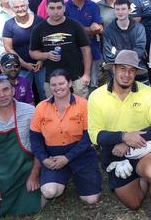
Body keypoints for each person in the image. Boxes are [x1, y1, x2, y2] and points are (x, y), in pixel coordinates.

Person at [87, 50, 151, 219]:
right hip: (115, 153)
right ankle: (143, 179)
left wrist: (129, 140)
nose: (127, 74)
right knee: (134, 204)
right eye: (122, 69)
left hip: (142, 149)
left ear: (136, 73)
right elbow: (95, 135)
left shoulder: (148, 93)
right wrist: (123, 137)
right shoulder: (96, 96)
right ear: (114, 69)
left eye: (132, 70)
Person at [28, 69, 101, 205]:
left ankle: (78, 174)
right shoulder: (41, 107)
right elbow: (35, 138)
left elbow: (88, 136)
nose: (57, 88)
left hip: (80, 153)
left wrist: (68, 158)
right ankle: (62, 176)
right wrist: (44, 159)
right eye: (53, 85)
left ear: (70, 83)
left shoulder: (83, 104)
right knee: (50, 192)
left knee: (91, 199)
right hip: (54, 156)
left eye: (61, 83)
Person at [0, 76, 41, 219]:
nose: (2, 95)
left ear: (13, 91)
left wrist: (34, 176)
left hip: (25, 170)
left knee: (33, 205)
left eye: (5, 89)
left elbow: (40, 147)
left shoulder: (30, 112)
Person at [29, 0, 92, 98]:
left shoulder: (75, 25)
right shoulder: (39, 28)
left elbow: (86, 49)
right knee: (54, 110)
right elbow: (32, 53)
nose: (56, 11)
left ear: (64, 8)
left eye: (59, 7)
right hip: (52, 80)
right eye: (52, 8)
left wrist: (87, 74)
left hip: (76, 77)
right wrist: (46, 55)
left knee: (81, 109)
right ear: (46, 9)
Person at [3, 0, 46, 100]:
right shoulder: (9, 25)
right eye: (16, 7)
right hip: (21, 67)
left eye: (22, 6)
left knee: (45, 93)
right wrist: (25, 64)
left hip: (41, 65)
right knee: (22, 95)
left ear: (27, 5)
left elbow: (46, 42)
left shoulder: (39, 20)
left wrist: (41, 60)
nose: (20, 9)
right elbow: (8, 48)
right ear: (12, 8)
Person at [65, 0, 104, 91]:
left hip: (93, 51)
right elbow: (68, 30)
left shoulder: (92, 5)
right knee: (76, 86)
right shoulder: (65, 7)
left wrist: (95, 28)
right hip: (73, 53)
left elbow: (99, 28)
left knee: (93, 85)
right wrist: (89, 30)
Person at [102, 0, 148, 84]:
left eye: (123, 9)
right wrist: (128, 56)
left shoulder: (139, 28)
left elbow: (139, 50)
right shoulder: (108, 30)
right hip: (118, 73)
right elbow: (109, 52)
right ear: (114, 11)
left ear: (129, 10)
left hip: (138, 70)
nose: (120, 12)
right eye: (117, 9)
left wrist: (117, 52)